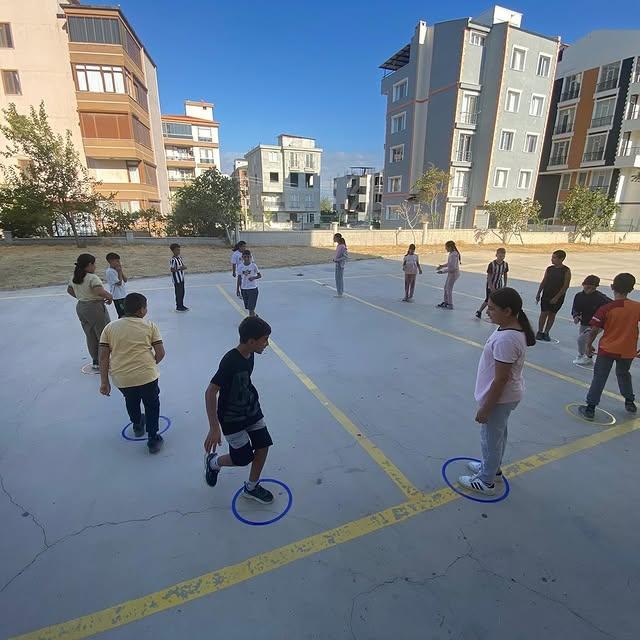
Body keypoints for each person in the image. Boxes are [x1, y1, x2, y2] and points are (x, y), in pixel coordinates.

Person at [458, 288, 536, 496]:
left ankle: (486, 481)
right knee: (498, 435)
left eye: (492, 309)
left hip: (500, 398)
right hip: (507, 396)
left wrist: (485, 408)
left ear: (508, 311)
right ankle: (492, 468)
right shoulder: (507, 328)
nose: (487, 312)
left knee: (490, 439)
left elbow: (501, 379)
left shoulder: (507, 339)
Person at [204, 316, 274, 504]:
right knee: (242, 458)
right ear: (251, 341)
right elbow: (211, 392)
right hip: (231, 418)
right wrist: (214, 427)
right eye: (265, 339)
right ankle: (213, 463)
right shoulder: (230, 361)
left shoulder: (250, 354)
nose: (267, 344)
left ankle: (251, 487)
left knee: (263, 445)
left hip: (251, 410)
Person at [98, 293, 166, 454]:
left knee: (131, 399)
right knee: (152, 404)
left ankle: (137, 424)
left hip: (122, 377)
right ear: (141, 310)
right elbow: (161, 353)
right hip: (147, 376)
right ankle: (152, 438)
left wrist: (104, 382)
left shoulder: (109, 328)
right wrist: (149, 364)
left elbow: (103, 357)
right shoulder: (150, 326)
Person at [579, 273, 639, 421]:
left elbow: (593, 330)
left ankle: (590, 408)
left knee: (600, 377)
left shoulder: (606, 308)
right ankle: (630, 402)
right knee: (624, 374)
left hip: (607, 349)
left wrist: (588, 346)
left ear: (612, 287)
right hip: (627, 350)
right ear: (631, 289)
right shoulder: (637, 307)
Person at [66, 254, 113, 370]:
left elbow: (69, 290)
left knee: (90, 334)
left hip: (81, 307)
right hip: (94, 307)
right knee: (103, 334)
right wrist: (109, 296)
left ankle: (96, 361)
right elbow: (99, 291)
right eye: (94, 264)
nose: (95, 266)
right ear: (89, 265)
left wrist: (81, 297)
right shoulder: (92, 277)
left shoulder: (74, 277)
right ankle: (105, 361)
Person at [570, 275, 611, 366]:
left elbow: (612, 306)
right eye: (587, 287)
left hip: (597, 324)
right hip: (584, 322)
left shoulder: (601, 298)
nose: (589, 290)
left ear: (596, 288)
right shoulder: (579, 296)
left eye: (592, 289)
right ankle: (589, 354)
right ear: (583, 284)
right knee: (585, 340)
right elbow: (575, 308)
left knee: (581, 340)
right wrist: (576, 315)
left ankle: (583, 356)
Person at [536, 250, 571, 342]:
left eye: (554, 258)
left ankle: (546, 332)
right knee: (543, 313)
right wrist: (539, 292)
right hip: (546, 294)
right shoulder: (549, 269)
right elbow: (544, 281)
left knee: (552, 314)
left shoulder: (566, 270)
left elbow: (565, 286)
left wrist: (557, 297)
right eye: (552, 257)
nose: (552, 259)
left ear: (561, 259)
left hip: (558, 297)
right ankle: (540, 331)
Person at [476, 248, 508, 319]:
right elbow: (489, 277)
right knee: (488, 299)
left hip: (499, 284)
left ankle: (494, 313)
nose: (501, 257)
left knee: (498, 300)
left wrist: (505, 284)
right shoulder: (492, 264)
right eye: (500, 256)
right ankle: (479, 311)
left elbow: (505, 274)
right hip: (491, 285)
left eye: (503, 256)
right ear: (496, 255)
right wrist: (491, 287)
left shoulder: (505, 264)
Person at [436, 241, 461, 309]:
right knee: (445, 287)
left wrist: (442, 271)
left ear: (450, 247)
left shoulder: (454, 254)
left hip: (454, 273)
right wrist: (442, 266)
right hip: (451, 273)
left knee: (449, 289)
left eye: (446, 247)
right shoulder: (451, 253)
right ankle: (446, 302)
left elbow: (452, 267)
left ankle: (450, 304)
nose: (445, 248)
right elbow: (449, 263)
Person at [237, 249, 261, 317]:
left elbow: (259, 275)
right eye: (245, 257)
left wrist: (253, 277)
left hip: (252, 289)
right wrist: (238, 289)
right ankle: (255, 316)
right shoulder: (240, 266)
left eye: (248, 257)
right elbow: (239, 278)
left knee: (251, 309)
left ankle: (252, 323)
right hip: (244, 289)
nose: (246, 258)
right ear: (242, 257)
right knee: (248, 307)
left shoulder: (253, 266)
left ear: (250, 257)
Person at [105, 252, 128, 318]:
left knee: (126, 312)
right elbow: (119, 283)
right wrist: (119, 272)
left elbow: (125, 280)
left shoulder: (117, 270)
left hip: (123, 295)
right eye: (117, 261)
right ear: (111, 261)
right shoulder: (109, 271)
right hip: (117, 297)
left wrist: (121, 271)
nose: (119, 263)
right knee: (122, 314)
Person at [169, 243, 188, 312]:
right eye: (177, 250)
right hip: (177, 279)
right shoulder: (173, 260)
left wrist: (183, 267)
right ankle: (178, 306)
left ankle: (181, 305)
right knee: (178, 293)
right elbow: (172, 269)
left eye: (179, 250)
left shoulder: (179, 258)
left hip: (181, 278)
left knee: (182, 292)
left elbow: (181, 265)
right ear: (173, 251)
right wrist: (180, 268)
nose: (178, 251)